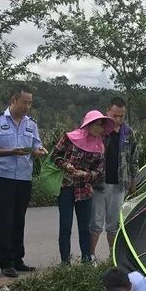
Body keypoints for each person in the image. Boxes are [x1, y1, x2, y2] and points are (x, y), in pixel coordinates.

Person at [0, 85, 48, 278]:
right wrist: (11, 152)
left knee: (19, 220)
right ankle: (5, 262)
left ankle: (18, 259)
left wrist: (39, 152)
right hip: (4, 177)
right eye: (24, 102)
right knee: (5, 221)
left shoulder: (31, 124)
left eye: (30, 103)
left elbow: (37, 145)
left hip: (24, 177)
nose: (28, 106)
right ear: (13, 100)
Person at [52, 110, 113, 264]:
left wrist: (85, 175)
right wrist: (67, 165)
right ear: (89, 125)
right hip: (66, 187)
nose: (101, 129)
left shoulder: (100, 146)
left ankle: (86, 261)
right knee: (65, 226)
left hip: (85, 190)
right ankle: (65, 262)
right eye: (98, 125)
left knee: (84, 227)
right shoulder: (69, 138)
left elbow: (99, 170)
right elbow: (55, 156)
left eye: (102, 126)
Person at [89, 97, 138, 259]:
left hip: (119, 184)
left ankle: (113, 256)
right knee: (95, 224)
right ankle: (90, 257)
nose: (118, 119)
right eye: (115, 115)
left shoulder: (128, 132)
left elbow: (133, 158)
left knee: (113, 225)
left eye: (121, 116)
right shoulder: (99, 130)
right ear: (107, 112)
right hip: (98, 183)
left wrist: (133, 182)